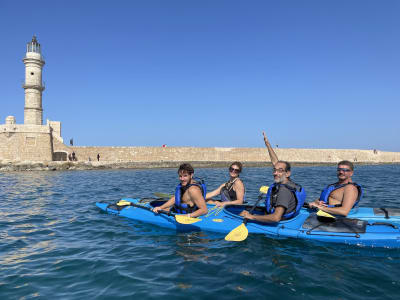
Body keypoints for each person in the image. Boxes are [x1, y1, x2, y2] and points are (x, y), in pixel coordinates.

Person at [240, 132, 306, 222]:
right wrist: (267, 144)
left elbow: (276, 218)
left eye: (280, 171)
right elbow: (275, 162)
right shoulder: (286, 183)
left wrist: (251, 216)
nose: (275, 173)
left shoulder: (284, 191)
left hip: (280, 222)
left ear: (287, 173)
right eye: (274, 170)